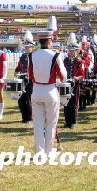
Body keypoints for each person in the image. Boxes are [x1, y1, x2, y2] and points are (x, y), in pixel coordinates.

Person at [27, 17, 67, 154]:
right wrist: (56, 82)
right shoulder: (56, 55)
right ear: (50, 41)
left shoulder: (32, 55)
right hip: (50, 90)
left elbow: (29, 76)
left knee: (38, 124)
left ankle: (39, 152)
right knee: (51, 123)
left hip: (36, 90)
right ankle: (49, 152)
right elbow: (63, 76)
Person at [62, 33, 85, 129]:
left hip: (75, 85)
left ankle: (73, 122)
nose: (71, 52)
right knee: (65, 103)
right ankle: (67, 121)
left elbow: (82, 76)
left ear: (76, 51)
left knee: (74, 104)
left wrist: (76, 78)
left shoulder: (80, 61)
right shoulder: (65, 60)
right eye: (70, 51)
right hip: (66, 84)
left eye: (73, 51)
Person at [15, 31, 35, 123]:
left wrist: (30, 75)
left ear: (32, 47)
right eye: (26, 46)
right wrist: (16, 72)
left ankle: (30, 117)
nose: (27, 48)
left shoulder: (35, 56)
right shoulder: (22, 56)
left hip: (31, 81)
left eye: (28, 46)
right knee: (21, 99)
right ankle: (24, 117)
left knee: (29, 99)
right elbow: (19, 66)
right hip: (22, 80)